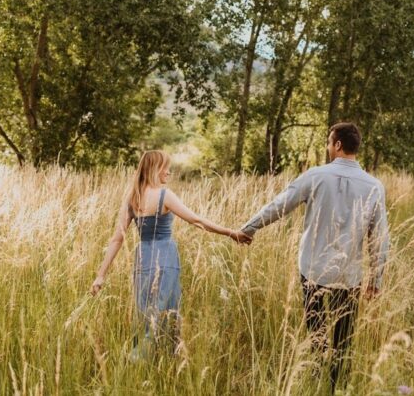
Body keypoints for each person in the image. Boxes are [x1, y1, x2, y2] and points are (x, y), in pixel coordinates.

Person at [241, 122, 389, 390]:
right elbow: (380, 237)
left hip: (314, 271)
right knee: (344, 339)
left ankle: (315, 382)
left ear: (338, 145)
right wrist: (375, 279)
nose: (328, 146)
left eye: (329, 142)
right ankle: (336, 388)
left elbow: (280, 205)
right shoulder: (374, 186)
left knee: (316, 334)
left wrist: (249, 228)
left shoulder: (315, 175)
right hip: (349, 275)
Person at [90, 150, 251, 358]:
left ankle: (144, 356)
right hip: (165, 257)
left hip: (143, 258)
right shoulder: (164, 195)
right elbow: (197, 220)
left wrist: (101, 275)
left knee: (145, 311)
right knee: (166, 309)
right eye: (165, 167)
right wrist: (230, 233)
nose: (168, 171)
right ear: (155, 169)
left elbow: (117, 239)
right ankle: (155, 357)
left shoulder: (132, 198)